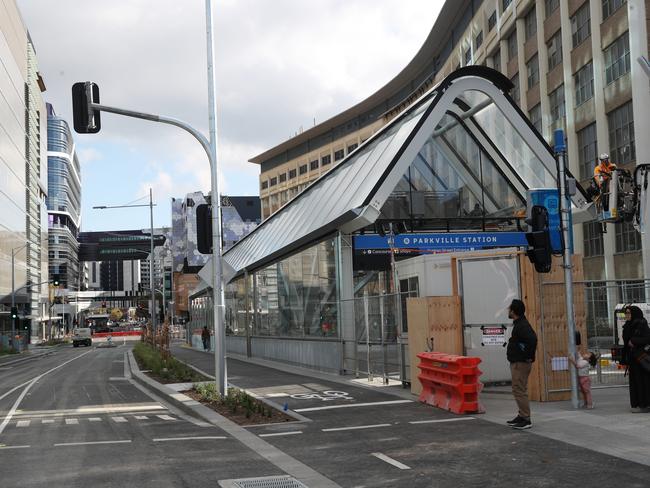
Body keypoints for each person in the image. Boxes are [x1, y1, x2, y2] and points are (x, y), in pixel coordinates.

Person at [506, 299, 538, 430]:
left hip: (521, 363)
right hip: (518, 362)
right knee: (518, 389)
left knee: (519, 390)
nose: (508, 310)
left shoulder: (522, 325)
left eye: (509, 309)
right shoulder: (519, 323)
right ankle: (521, 415)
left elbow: (533, 339)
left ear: (513, 311)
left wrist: (528, 356)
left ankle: (526, 418)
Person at [622, 305, 650, 412]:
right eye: (626, 313)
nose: (627, 315)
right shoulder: (628, 325)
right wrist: (624, 359)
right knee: (634, 381)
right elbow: (625, 344)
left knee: (643, 381)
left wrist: (634, 340)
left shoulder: (641, 324)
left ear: (634, 313)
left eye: (628, 313)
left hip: (641, 358)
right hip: (632, 359)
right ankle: (637, 404)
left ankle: (645, 405)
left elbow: (647, 338)